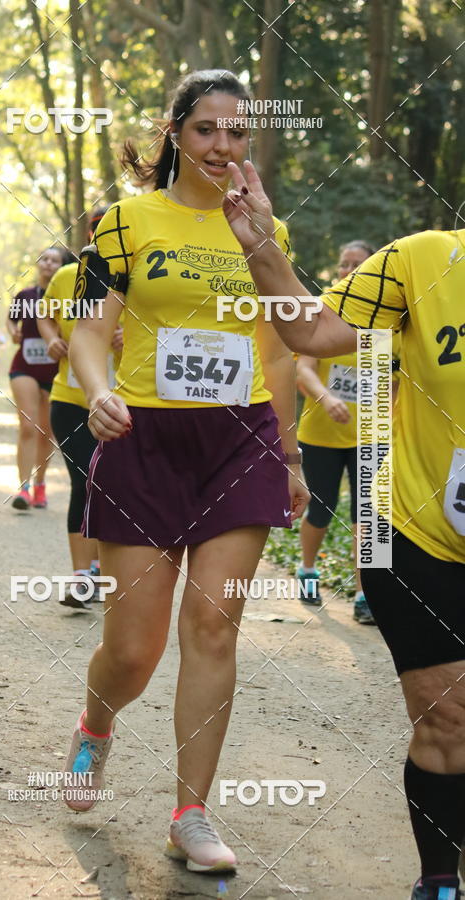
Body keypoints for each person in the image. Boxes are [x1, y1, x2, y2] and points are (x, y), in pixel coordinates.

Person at [63, 70, 309, 873]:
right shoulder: (125, 222)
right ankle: (96, 725)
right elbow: (92, 332)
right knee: (134, 649)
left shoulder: (263, 231)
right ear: (175, 134)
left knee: (213, 625)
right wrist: (98, 394)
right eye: (206, 130)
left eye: (237, 133)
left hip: (238, 444)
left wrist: (291, 452)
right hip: (143, 437)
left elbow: (279, 348)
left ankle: (190, 815)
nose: (222, 147)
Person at [222, 160, 465, 900]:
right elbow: (318, 330)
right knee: (450, 717)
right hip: (419, 531)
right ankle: (440, 880)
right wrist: (263, 246)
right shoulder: (424, 259)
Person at [37, 208, 121, 608]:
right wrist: (52, 338)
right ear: (89, 234)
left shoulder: (141, 277)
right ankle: (81, 577)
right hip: (70, 399)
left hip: (124, 403)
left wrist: (131, 337)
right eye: (99, 229)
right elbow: (44, 314)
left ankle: (104, 572)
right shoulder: (68, 277)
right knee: (85, 479)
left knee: (111, 483)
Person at [295, 240, 376, 623]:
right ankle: (308, 570)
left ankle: (367, 594)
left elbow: (395, 380)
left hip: (373, 435)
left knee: (371, 515)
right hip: (321, 433)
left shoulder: (386, 315)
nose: (347, 270)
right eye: (343, 264)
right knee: (321, 508)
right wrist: (327, 398)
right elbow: (304, 369)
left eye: (356, 264)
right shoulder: (323, 309)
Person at [7, 246, 74, 510]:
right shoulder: (25, 295)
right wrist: (13, 332)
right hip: (24, 366)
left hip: (57, 370)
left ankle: (40, 484)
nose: (48, 264)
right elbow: (11, 320)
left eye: (54, 261)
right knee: (27, 426)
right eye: (44, 259)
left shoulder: (69, 295)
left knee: (46, 432)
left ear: (62, 267)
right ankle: (23, 489)